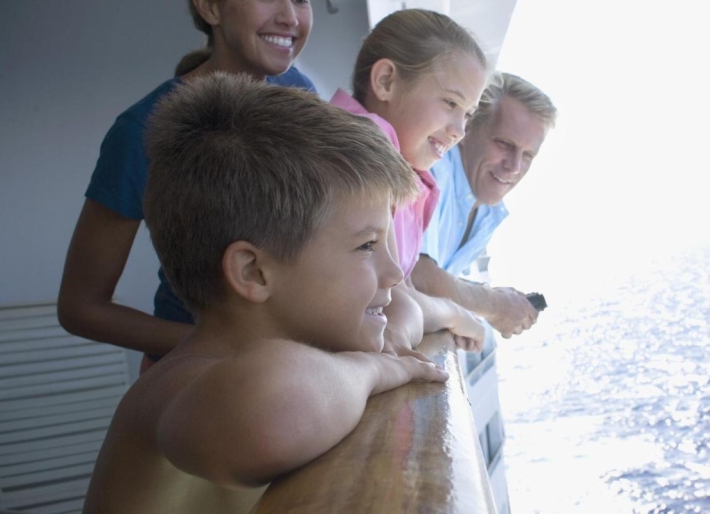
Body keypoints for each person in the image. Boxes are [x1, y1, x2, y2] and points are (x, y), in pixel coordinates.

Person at [82, 74, 448, 514]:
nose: (394, 271)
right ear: (254, 272)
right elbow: (271, 412)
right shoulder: (179, 386)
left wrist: (448, 316)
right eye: (367, 245)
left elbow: (405, 305)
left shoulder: (303, 348)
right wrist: (374, 369)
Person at [58, 0, 316, 369]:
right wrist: (226, 344)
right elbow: (80, 308)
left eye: (303, 0)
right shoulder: (140, 130)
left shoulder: (299, 94)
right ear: (210, 8)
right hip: (194, 375)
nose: (290, 17)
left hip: (291, 361)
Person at [328, 9, 490, 355]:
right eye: (450, 102)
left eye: (468, 114)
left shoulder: (403, 168)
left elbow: (402, 289)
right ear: (386, 80)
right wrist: (452, 314)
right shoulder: (354, 159)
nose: (460, 130)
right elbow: (387, 308)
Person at [413, 72, 557, 339]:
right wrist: (493, 305)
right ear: (466, 130)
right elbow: (417, 275)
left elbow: (439, 278)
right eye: (504, 144)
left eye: (527, 155)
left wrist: (490, 302)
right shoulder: (434, 172)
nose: (514, 167)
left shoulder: (487, 209)